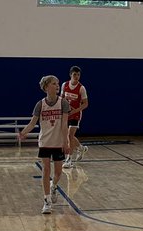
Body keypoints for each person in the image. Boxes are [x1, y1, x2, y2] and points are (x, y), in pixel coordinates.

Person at [17, 75, 69, 214]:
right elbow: (33, 122)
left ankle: (54, 186)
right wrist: (24, 132)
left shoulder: (63, 103)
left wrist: (66, 142)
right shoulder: (40, 104)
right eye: (54, 83)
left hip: (58, 142)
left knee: (58, 173)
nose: (57, 86)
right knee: (46, 171)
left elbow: (64, 125)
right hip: (45, 142)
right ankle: (46, 201)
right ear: (46, 87)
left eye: (58, 83)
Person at [61, 65, 89, 167]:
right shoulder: (65, 85)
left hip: (76, 114)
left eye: (78, 75)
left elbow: (85, 104)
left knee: (69, 135)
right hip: (66, 113)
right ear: (70, 75)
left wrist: (74, 111)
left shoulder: (81, 88)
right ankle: (81, 148)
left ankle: (69, 159)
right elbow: (62, 98)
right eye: (74, 74)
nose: (76, 76)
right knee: (69, 136)